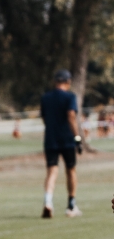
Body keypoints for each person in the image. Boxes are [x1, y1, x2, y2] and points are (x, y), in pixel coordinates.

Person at [40, 69, 82, 218]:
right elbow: (71, 115)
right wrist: (77, 137)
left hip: (50, 139)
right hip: (67, 139)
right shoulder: (70, 97)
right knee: (71, 170)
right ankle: (71, 205)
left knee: (52, 171)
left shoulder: (45, 98)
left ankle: (48, 202)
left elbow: (44, 119)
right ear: (68, 82)